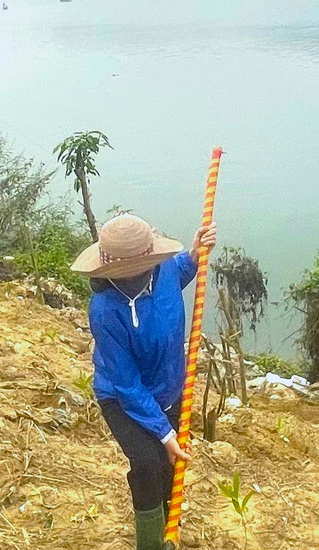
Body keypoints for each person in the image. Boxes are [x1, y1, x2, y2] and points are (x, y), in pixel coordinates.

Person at [71, 212, 218, 550]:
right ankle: (150, 542)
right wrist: (164, 433)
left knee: (170, 467)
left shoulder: (163, 270)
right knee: (148, 462)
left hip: (169, 386)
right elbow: (126, 383)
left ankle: (171, 531)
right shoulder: (105, 310)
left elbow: (179, 269)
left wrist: (195, 253)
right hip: (123, 398)